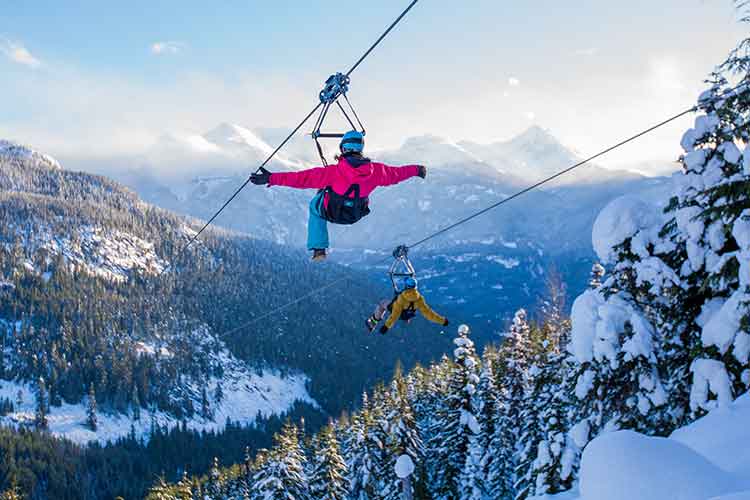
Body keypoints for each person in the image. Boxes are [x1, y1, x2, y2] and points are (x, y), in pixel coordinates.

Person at [250, 131, 426, 261]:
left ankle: (319, 249)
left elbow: (300, 179)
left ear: (343, 148)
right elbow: (397, 174)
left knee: (315, 206)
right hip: (355, 214)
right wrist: (417, 170)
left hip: (332, 212)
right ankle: (319, 247)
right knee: (325, 197)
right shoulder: (377, 171)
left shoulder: (333, 173)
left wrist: (271, 178)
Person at [366, 277, 449, 334]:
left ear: (406, 286)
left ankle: (373, 322)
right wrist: (442, 321)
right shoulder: (419, 299)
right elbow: (429, 314)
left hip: (399, 312)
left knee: (382, 303)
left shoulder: (402, 298)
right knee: (403, 306)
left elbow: (395, 315)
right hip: (408, 314)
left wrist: (386, 327)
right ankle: (406, 318)